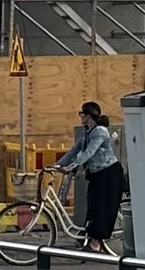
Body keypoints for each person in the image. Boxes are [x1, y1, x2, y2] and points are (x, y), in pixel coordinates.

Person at [52, 102, 124, 253]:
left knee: (101, 207)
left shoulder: (100, 131)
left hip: (108, 173)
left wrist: (71, 167)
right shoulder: (87, 131)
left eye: (82, 113)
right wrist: (56, 165)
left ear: (89, 115)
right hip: (96, 175)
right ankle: (89, 237)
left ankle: (95, 244)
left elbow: (89, 152)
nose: (80, 116)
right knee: (92, 206)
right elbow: (74, 151)